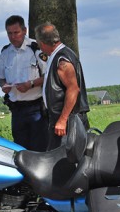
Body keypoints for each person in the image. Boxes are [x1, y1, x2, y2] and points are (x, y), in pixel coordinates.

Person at [0, 15, 48, 152]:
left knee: (39, 150)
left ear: (24, 30)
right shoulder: (5, 52)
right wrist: (4, 86)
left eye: (16, 32)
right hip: (17, 110)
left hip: (36, 109)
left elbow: (49, 76)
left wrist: (30, 84)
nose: (13, 37)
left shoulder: (36, 48)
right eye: (9, 33)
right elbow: (0, 78)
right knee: (20, 150)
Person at [35, 22, 90, 150]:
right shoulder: (58, 56)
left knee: (62, 159)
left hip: (67, 122)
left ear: (42, 43)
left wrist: (62, 120)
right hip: (63, 120)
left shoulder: (62, 59)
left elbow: (73, 89)